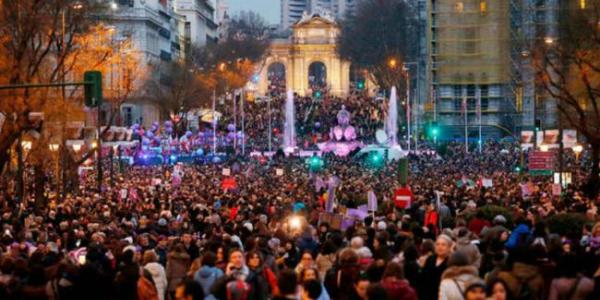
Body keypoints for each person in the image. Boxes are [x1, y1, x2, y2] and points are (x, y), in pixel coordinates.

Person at [418, 234, 453, 300]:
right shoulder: (430, 259)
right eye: (438, 244)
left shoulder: (451, 263)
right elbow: (422, 279)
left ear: (449, 247)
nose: (440, 247)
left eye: (443, 245)